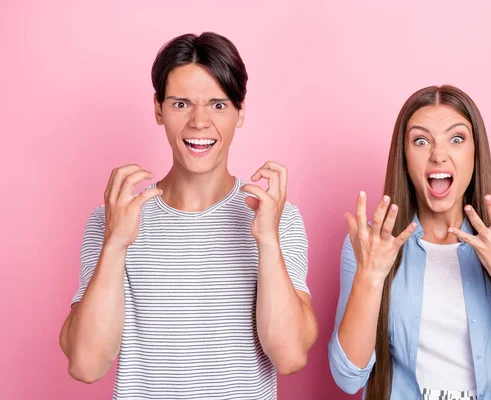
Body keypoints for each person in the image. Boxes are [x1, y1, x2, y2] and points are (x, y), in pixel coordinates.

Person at [59, 32, 317, 400]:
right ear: (158, 108)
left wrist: (267, 241)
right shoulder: (111, 220)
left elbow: (289, 356)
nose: (199, 122)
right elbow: (86, 365)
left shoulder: (278, 218)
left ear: (240, 112)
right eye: (181, 104)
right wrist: (116, 243)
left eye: (218, 104)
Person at [328, 85, 491, 399]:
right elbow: (348, 378)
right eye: (421, 140)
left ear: (476, 152)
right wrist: (371, 277)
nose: (439, 154)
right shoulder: (369, 245)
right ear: (404, 157)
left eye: (456, 139)